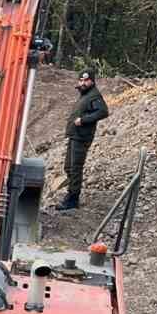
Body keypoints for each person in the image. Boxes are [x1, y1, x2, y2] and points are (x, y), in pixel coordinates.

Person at [58, 69, 109, 210]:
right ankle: (71, 194)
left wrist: (84, 120)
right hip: (75, 136)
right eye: (81, 80)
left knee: (75, 168)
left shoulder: (94, 95)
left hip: (82, 137)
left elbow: (103, 111)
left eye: (86, 80)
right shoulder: (85, 95)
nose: (83, 83)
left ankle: (73, 200)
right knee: (69, 167)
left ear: (92, 81)